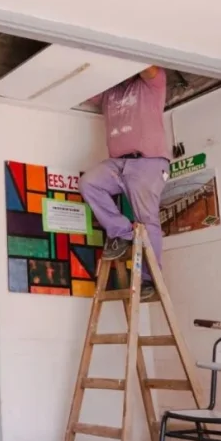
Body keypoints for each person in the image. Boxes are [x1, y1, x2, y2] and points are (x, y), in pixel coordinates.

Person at [79, 66, 169, 300]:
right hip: (118, 163)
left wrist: (120, 56)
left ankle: (150, 280)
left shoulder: (151, 84)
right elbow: (81, 84)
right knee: (89, 183)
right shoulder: (109, 92)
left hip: (148, 162)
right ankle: (122, 233)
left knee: (147, 220)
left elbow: (149, 68)